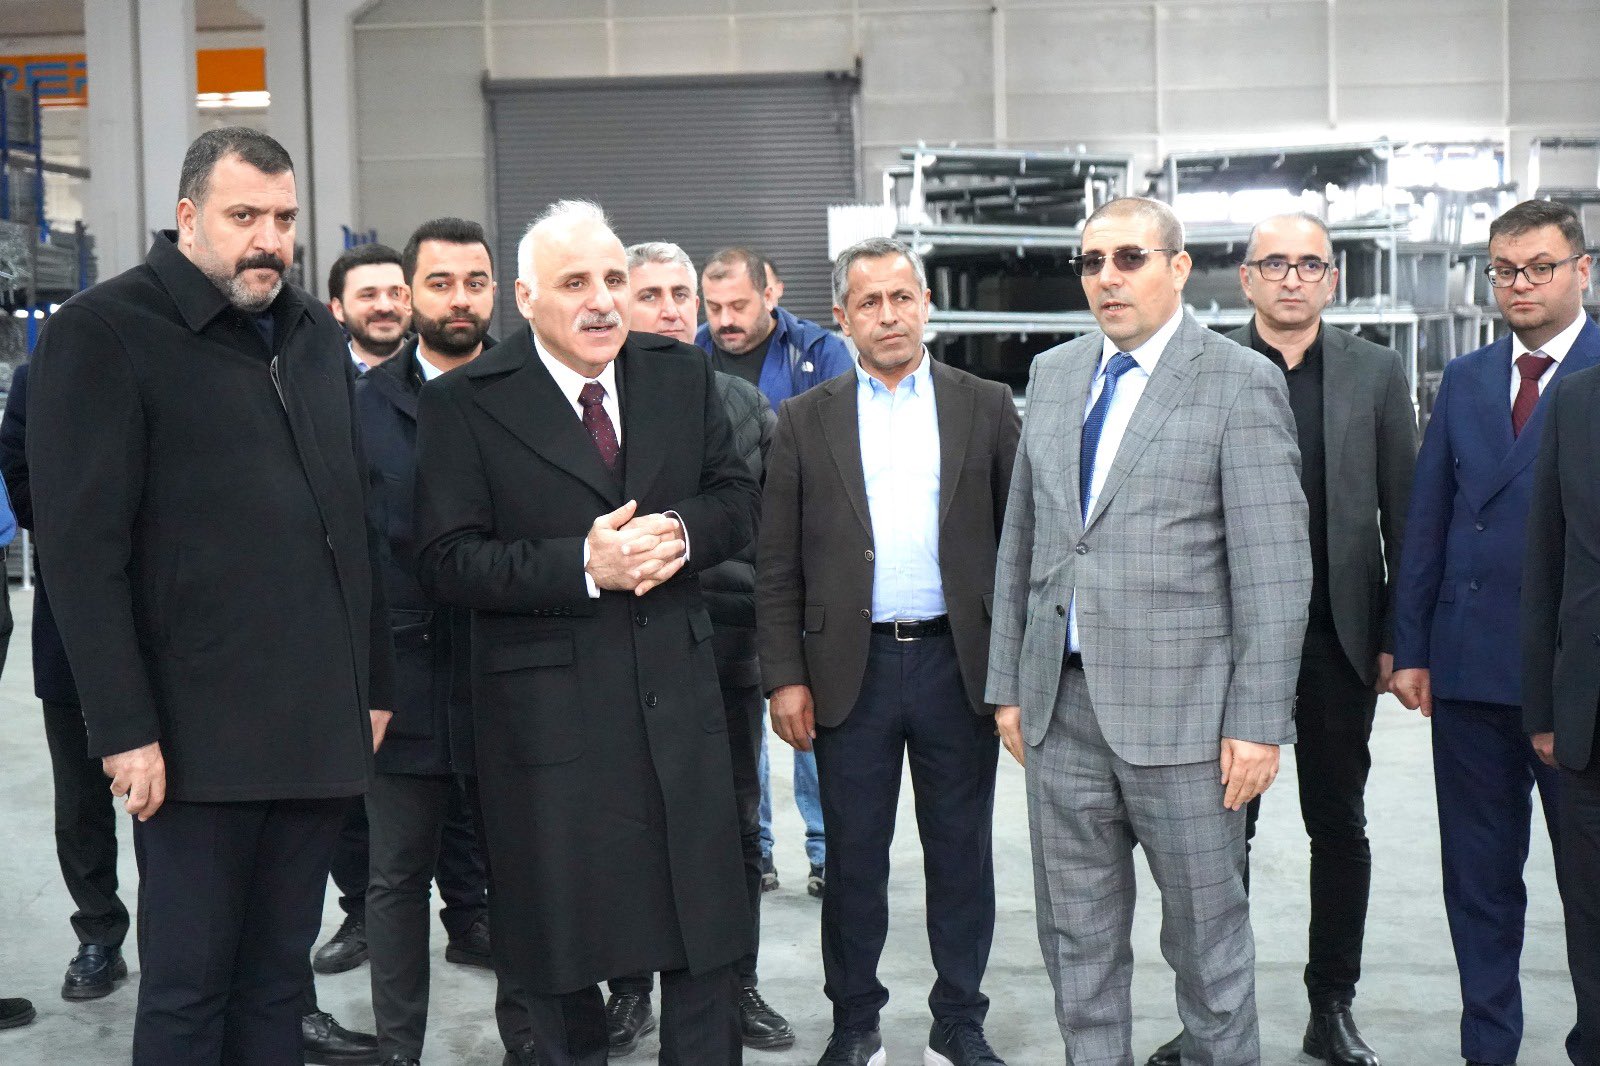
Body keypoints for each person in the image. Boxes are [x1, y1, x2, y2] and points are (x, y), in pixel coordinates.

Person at [26, 126, 395, 1066]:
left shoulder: (313, 332)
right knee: (190, 990)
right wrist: (123, 728)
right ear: (189, 217)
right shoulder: (105, 331)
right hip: (191, 738)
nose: (269, 240)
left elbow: (355, 521)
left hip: (315, 723)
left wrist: (374, 681)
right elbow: (80, 556)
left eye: (284, 219)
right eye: (244, 217)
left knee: (277, 982)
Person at [414, 199, 758, 1066]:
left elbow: (736, 497)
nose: (603, 300)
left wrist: (680, 533)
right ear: (526, 298)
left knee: (705, 932)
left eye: (613, 279)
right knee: (556, 946)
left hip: (677, 699)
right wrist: (581, 563)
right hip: (546, 726)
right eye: (575, 283)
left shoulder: (679, 374)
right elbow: (447, 559)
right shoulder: (465, 403)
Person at [986, 196, 1309, 1065]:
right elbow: (1025, 540)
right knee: (1076, 940)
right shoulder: (1057, 374)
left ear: (1178, 267)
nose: (1107, 278)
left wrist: (1257, 722)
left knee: (1208, 941)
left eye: (1129, 258)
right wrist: (1009, 686)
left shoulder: (1238, 381)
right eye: (1092, 262)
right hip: (1061, 715)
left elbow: (1276, 571)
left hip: (1189, 724)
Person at [1148, 211, 1418, 1066]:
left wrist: (1401, 636)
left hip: (1338, 640)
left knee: (1338, 827)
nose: (1292, 278)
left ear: (1332, 279)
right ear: (1246, 278)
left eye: (1309, 264)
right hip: (1223, 648)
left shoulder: (1375, 372)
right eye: (1275, 264)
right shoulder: (1201, 366)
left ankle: (1330, 1007)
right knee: (1218, 838)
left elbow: (1405, 513)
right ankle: (1214, 1015)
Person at [758, 237, 1020, 1066]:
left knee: (961, 855)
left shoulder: (985, 406)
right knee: (854, 860)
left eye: (902, 297)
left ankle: (959, 1020)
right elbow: (777, 562)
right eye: (869, 302)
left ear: (926, 305)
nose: (889, 315)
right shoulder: (806, 418)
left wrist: (1013, 674)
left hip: (957, 666)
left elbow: (1021, 547)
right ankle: (855, 1022)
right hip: (851, 672)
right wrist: (785, 677)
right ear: (843, 317)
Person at [1393, 197, 1599, 1066]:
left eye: (1540, 268)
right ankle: (1488, 1047)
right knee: (1478, 881)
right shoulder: (1469, 377)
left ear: (1581, 270)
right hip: (1470, 670)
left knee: (1588, 888)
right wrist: (1411, 646)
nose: (1521, 285)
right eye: (1505, 270)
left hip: (1576, 682)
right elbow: (1428, 516)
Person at [603, 240, 794, 1055]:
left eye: (683, 295)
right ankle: (628, 990)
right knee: (628, 828)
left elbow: (775, 538)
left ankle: (735, 985)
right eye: (652, 295)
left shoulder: (743, 406)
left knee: (734, 831)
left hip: (723, 654)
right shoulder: (596, 405)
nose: (673, 310)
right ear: (621, 304)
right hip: (620, 662)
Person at [355, 216, 533, 1066]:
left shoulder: (532, 394)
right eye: (440, 283)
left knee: (523, 874)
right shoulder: (360, 407)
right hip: (402, 680)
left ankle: (530, 1039)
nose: (459, 300)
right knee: (395, 878)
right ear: (409, 294)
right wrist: (363, 682)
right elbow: (348, 554)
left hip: (515, 672)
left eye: (474, 283)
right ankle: (399, 1049)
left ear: (496, 292)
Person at [696, 246, 851, 897]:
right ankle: (755, 849)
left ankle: (825, 850)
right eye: (714, 307)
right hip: (727, 572)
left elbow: (841, 449)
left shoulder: (819, 351)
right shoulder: (693, 357)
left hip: (803, 563)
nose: (725, 320)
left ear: (772, 293)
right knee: (741, 726)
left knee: (806, 712)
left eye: (738, 305)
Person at [0, 362, 131, 1003]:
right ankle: (99, 934)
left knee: (185, 792)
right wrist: (76, 531)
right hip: (72, 612)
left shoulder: (171, 363)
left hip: (176, 613)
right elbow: (19, 474)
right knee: (80, 794)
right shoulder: (42, 378)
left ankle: (191, 936)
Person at [1521, 257, 1600, 1066]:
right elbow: (1546, 564)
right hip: (1588, 722)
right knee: (1592, 922)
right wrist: (1543, 711)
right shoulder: (1575, 403)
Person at [329, 242, 411, 373]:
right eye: (368, 295)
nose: (385, 307)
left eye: (396, 294)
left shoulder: (441, 370)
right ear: (339, 309)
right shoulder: (314, 376)